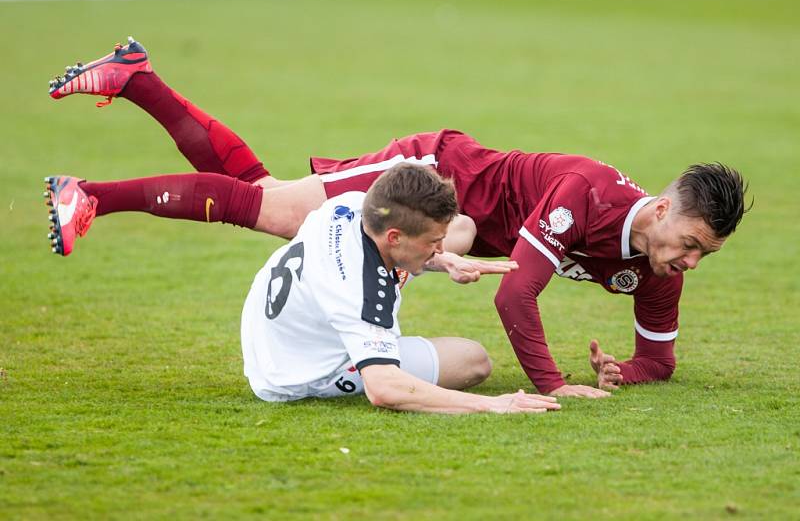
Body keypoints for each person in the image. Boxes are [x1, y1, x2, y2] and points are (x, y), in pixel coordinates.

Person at [46, 37, 750, 398]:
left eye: (702, 256)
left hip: (457, 221)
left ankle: (136, 77)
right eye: (689, 244)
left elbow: (659, 360)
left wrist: (624, 371)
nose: (689, 263)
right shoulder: (586, 194)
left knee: (262, 190)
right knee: (273, 209)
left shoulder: (657, 261)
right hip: (436, 178)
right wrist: (554, 386)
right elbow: (515, 292)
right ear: (660, 210)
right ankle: (92, 195)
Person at [237, 162, 559, 413]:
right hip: (294, 374)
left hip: (267, 335)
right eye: (433, 243)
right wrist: (493, 404)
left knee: (463, 229)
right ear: (395, 237)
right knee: (472, 360)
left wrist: (443, 260)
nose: (439, 249)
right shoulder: (363, 292)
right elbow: (383, 389)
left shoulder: (351, 205)